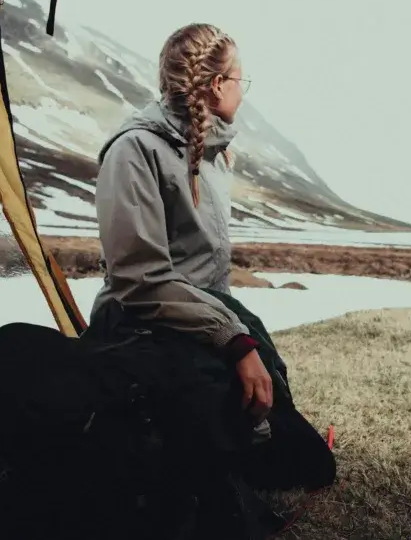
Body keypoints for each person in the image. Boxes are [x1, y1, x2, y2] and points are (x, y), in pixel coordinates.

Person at [87, 22, 274, 425]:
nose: (244, 91)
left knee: (292, 440)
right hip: (139, 326)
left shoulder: (211, 154)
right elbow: (139, 279)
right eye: (243, 79)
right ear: (220, 84)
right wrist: (231, 336)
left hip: (197, 322)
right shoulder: (135, 150)